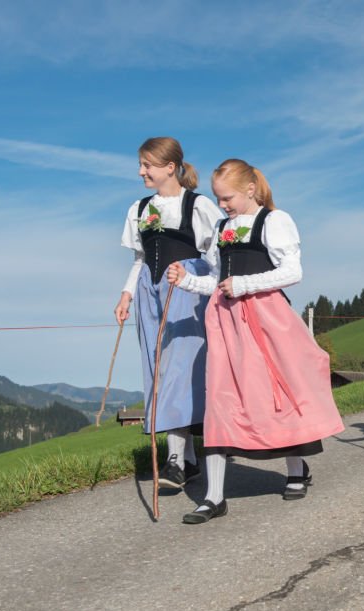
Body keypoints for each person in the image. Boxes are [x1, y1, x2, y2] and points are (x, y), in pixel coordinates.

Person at [167, 159, 344, 524]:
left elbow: (292, 272)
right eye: (218, 199)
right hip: (226, 322)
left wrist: (246, 285)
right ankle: (214, 496)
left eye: (227, 198)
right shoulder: (222, 227)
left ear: (250, 189)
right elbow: (217, 280)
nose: (223, 206)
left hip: (267, 321)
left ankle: (296, 469)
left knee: (278, 393)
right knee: (220, 398)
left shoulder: (274, 221)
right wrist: (186, 279)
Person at [115, 137, 222, 490]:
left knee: (178, 370)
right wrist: (127, 293)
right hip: (150, 289)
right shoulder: (140, 208)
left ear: (169, 167)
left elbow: (216, 256)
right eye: (141, 164)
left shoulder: (199, 205)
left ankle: (175, 461)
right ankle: (188, 460)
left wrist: (198, 282)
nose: (141, 171)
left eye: (147, 164)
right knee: (158, 368)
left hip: (186, 289)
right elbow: (140, 259)